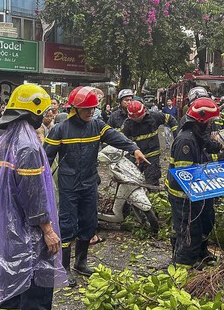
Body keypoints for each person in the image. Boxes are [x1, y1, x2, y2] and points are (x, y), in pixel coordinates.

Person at [0, 83, 67, 310]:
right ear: (36, 111)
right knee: (38, 283)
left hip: (6, 225)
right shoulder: (28, 147)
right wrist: (47, 229)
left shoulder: (0, 143)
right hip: (29, 229)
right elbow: (33, 195)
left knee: (11, 275)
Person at [44, 86, 148, 286]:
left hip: (89, 184)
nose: (91, 112)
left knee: (89, 223)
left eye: (93, 108)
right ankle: (63, 268)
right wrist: (39, 181)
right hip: (69, 186)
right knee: (67, 226)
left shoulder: (97, 125)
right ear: (74, 109)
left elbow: (116, 138)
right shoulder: (60, 129)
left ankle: (80, 263)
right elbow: (45, 157)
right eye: (86, 109)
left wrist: (134, 148)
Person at [166, 98, 222, 268]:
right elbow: (186, 175)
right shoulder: (186, 141)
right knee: (190, 233)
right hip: (184, 196)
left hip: (199, 193)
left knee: (206, 222)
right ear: (202, 121)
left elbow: (209, 145)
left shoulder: (197, 135)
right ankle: (182, 269)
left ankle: (200, 254)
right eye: (211, 121)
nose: (212, 124)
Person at [121, 100, 178, 186]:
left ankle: (153, 196)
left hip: (152, 156)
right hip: (136, 156)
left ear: (144, 111)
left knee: (152, 181)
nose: (137, 120)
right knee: (132, 181)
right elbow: (121, 138)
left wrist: (176, 137)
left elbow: (171, 119)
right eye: (135, 119)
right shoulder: (127, 123)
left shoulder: (154, 116)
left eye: (139, 118)